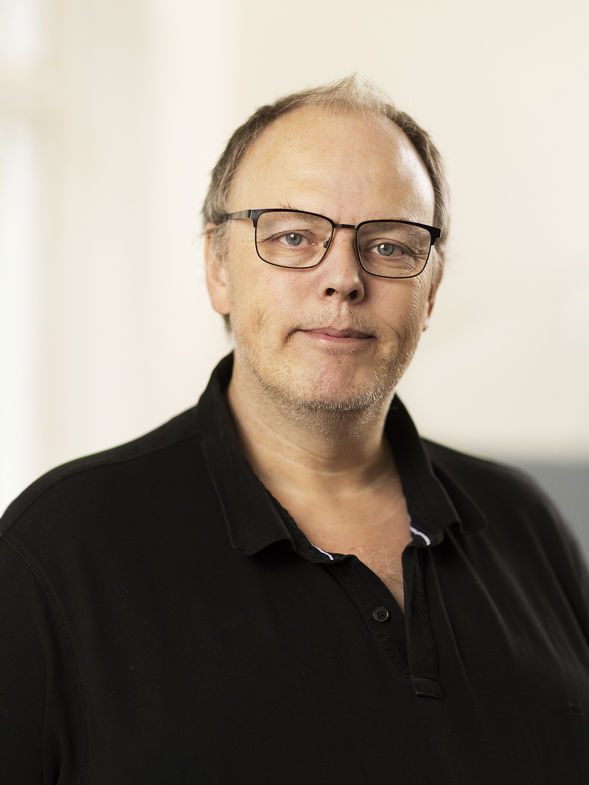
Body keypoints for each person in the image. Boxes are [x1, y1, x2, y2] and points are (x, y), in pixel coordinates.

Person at [1, 77, 588, 785]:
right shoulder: (59, 545)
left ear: (430, 290)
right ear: (218, 268)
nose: (343, 279)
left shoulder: (524, 525)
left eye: (389, 246)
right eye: (292, 236)